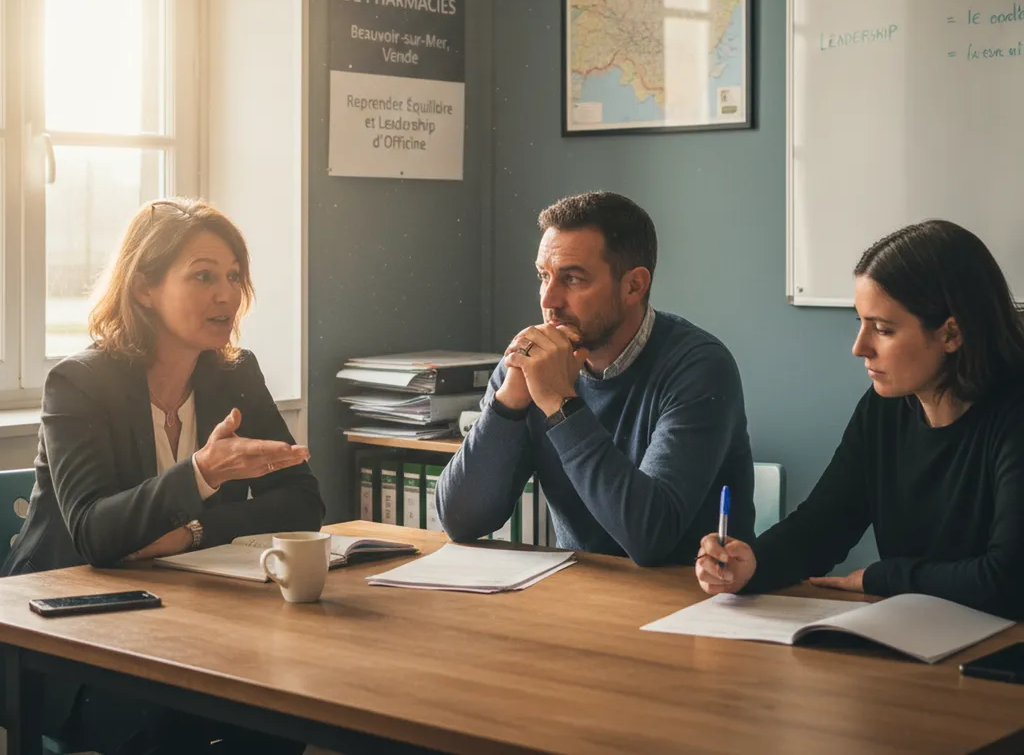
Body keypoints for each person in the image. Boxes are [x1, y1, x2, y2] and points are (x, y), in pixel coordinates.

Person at [2, 198, 324, 753]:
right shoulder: (78, 383)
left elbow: (302, 501)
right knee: (172, 722)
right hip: (68, 640)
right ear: (145, 288)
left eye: (232, 276)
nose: (225, 294)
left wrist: (189, 533)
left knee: (290, 706)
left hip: (189, 619)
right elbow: (97, 535)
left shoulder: (235, 372)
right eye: (202, 276)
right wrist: (200, 473)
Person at [696, 220, 1024, 621]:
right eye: (861, 323)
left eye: (883, 329)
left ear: (951, 334)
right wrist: (751, 564)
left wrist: (882, 577)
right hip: (921, 638)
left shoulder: (1013, 414)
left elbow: (1007, 581)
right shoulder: (884, 407)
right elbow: (822, 527)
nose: (859, 348)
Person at [436, 191, 754, 565]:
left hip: (688, 601)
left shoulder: (699, 367)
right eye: (544, 276)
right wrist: (508, 403)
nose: (549, 300)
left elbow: (649, 537)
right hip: (582, 596)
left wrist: (560, 404)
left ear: (634, 285)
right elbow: (460, 521)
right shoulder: (531, 363)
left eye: (572, 279)